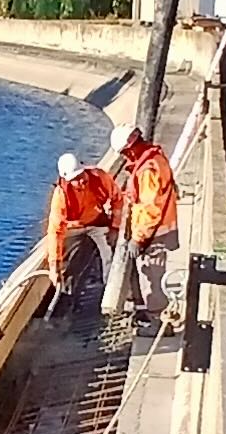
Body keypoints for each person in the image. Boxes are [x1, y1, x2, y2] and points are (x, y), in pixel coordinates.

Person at [112, 122, 180, 325]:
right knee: (150, 275)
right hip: (155, 230)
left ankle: (157, 322)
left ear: (130, 147)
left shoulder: (147, 170)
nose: (124, 157)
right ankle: (150, 314)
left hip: (154, 234)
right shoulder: (152, 159)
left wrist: (138, 238)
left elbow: (150, 208)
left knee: (153, 278)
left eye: (124, 153)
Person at [46, 151, 117, 292]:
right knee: (71, 261)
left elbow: (117, 198)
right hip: (74, 227)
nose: (81, 181)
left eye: (81, 176)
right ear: (67, 180)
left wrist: (115, 226)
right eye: (76, 179)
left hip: (97, 222)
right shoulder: (61, 196)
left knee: (110, 254)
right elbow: (55, 231)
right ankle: (67, 294)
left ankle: (110, 291)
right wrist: (54, 265)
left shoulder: (98, 177)